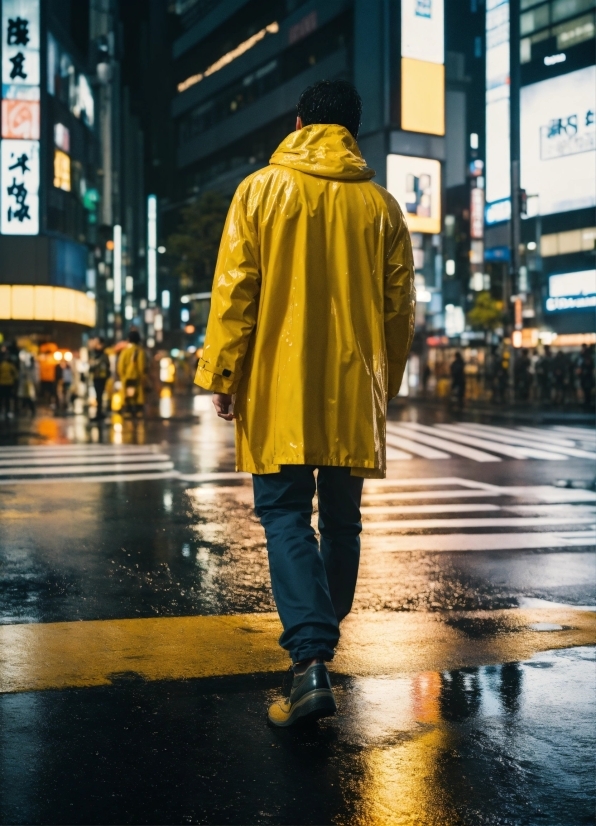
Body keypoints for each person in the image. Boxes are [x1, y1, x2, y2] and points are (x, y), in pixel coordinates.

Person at [195, 80, 415, 727]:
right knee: (342, 523)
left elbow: (236, 288)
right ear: (352, 133)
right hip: (353, 394)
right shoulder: (382, 208)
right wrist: (384, 385)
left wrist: (225, 373)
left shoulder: (261, 190)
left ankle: (310, 659)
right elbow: (398, 313)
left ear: (296, 125)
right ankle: (319, 642)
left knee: (286, 514)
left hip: (279, 388)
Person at [117, 330, 146, 417]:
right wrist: (142, 376)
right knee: (137, 396)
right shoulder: (140, 351)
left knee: (127, 396)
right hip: (136, 378)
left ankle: (127, 410)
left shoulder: (125, 351)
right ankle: (137, 411)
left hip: (126, 379)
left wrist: (123, 376)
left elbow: (120, 366)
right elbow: (141, 366)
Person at [89, 338, 111, 420]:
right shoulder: (94, 354)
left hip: (102, 378)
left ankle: (99, 413)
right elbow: (91, 366)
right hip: (96, 377)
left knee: (100, 395)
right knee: (98, 395)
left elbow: (107, 366)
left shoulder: (104, 355)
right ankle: (99, 412)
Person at [0, 348, 19, 419]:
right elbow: (16, 375)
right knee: (7, 399)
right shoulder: (11, 366)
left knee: (3, 399)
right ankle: (6, 411)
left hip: (3, 384)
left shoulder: (2, 365)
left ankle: (3, 411)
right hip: (8, 384)